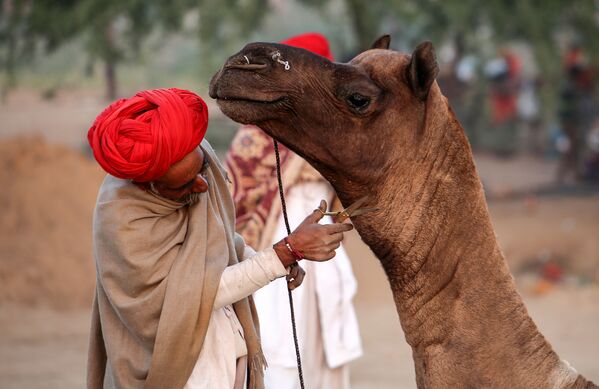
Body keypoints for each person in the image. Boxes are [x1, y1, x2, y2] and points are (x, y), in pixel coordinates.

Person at [85, 87, 353, 389]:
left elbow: (222, 241)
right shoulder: (122, 221)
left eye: (201, 171)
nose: (202, 187)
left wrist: (278, 262)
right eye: (185, 185)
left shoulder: (199, 160)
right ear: (147, 186)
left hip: (226, 363)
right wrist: (284, 254)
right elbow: (196, 296)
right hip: (180, 374)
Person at [226, 33, 362, 389]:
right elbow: (240, 193)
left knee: (325, 349)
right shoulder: (256, 131)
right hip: (276, 246)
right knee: (280, 340)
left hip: (324, 248)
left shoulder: (338, 131)